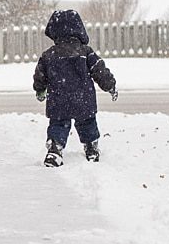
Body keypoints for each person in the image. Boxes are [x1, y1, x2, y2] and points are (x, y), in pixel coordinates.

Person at [33, 9, 118, 167]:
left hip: (58, 100)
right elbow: (99, 70)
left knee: (58, 124)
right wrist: (110, 85)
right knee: (87, 122)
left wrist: (40, 90)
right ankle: (91, 148)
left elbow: (40, 75)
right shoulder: (85, 52)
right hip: (83, 99)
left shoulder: (49, 55)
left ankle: (55, 149)